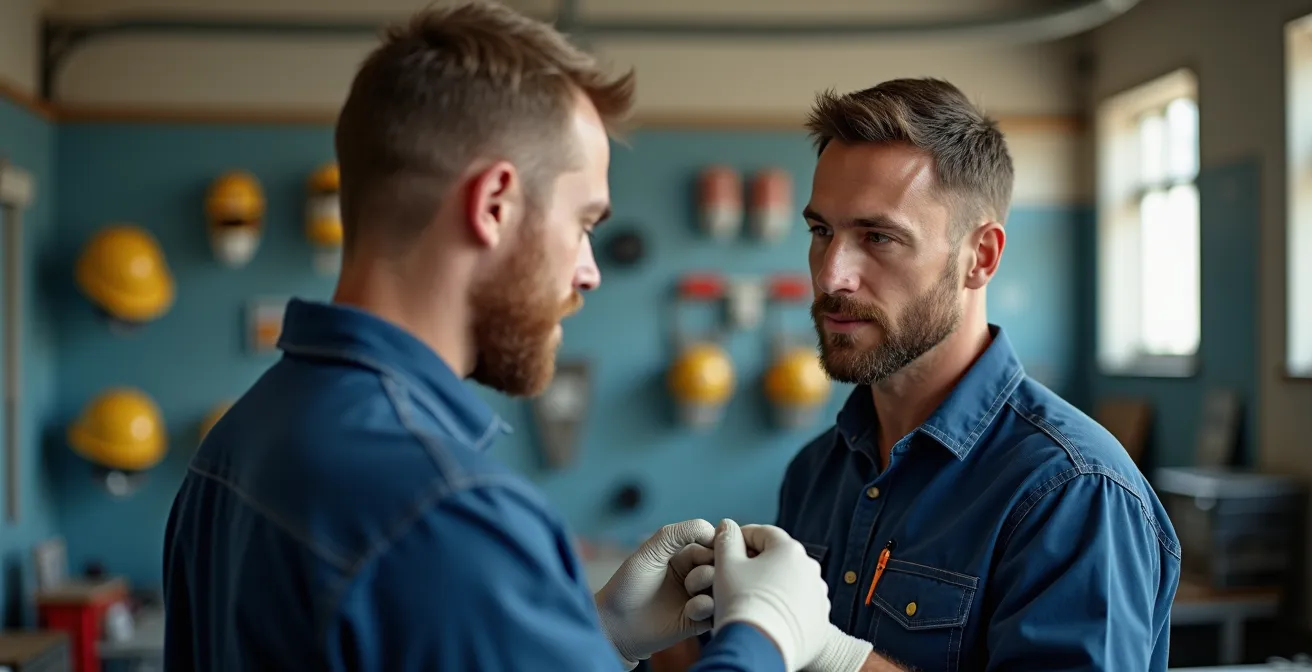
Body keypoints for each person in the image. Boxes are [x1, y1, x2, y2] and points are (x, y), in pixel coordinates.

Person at [160, 2, 836, 671]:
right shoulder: (442, 508)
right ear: (494, 206)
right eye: (584, 223)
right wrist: (762, 636)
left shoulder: (240, 439)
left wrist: (594, 635)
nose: (589, 272)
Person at [764, 78, 1182, 671]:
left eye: (878, 237)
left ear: (980, 257)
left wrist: (835, 657)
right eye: (821, 231)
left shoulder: (1073, 491)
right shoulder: (815, 473)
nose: (832, 276)